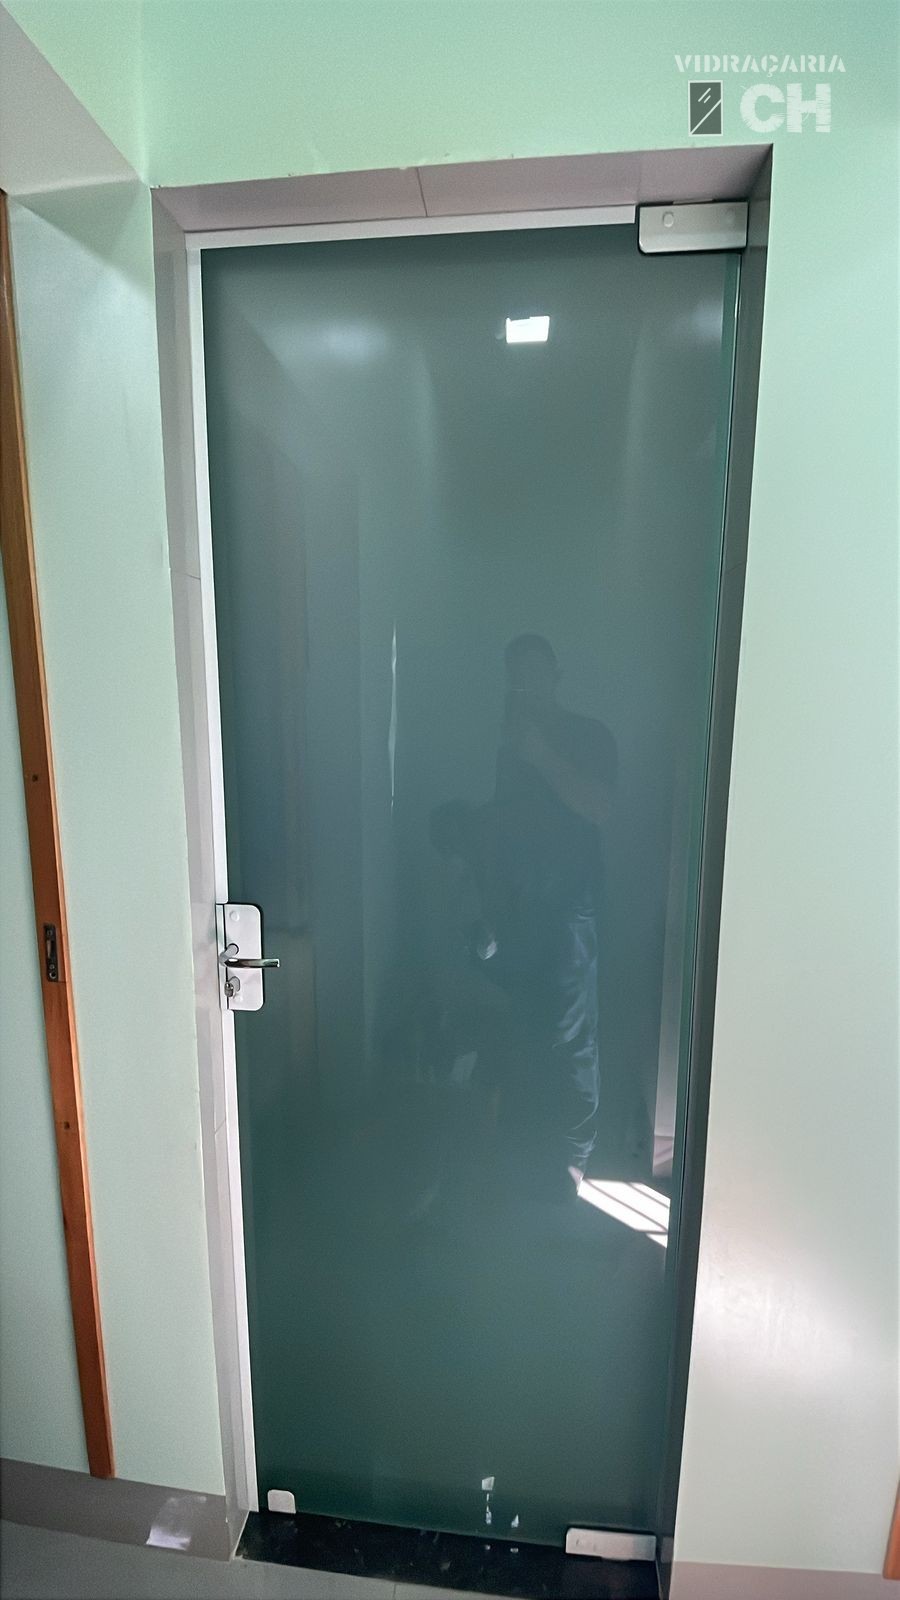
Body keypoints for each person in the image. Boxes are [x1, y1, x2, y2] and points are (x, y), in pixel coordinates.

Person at [484, 634, 617, 1196]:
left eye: (535, 674)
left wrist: (541, 755)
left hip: (569, 909)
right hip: (518, 908)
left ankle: (571, 1160)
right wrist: (490, 904)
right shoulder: (508, 746)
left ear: (555, 676)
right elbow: (503, 825)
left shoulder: (589, 735)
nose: (526, 686)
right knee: (526, 1029)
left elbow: (600, 809)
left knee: (572, 1036)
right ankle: (529, 1150)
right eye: (517, 677)